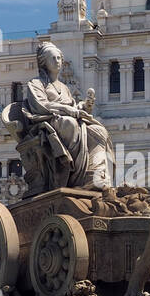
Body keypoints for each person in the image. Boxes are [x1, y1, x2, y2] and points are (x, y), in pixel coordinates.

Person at [16, 42, 112, 190]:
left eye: (59, 58)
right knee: (70, 124)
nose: (57, 61)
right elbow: (41, 106)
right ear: (44, 62)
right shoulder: (35, 83)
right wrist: (67, 110)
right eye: (52, 58)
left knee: (100, 132)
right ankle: (73, 176)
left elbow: (73, 107)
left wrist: (84, 106)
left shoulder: (64, 87)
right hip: (47, 122)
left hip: (67, 120)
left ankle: (93, 175)